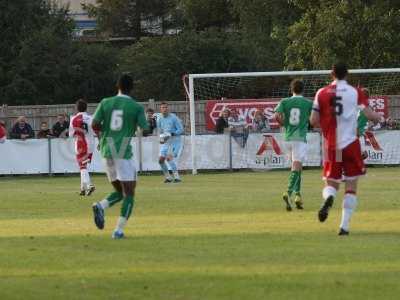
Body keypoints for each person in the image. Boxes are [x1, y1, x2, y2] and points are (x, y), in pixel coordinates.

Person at [310, 62, 383, 235]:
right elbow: (369, 114)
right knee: (351, 185)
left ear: (331, 74)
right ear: (347, 74)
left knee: (332, 182)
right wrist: (378, 117)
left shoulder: (321, 92)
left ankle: (329, 197)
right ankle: (344, 227)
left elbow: (313, 120)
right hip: (351, 143)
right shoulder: (354, 92)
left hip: (332, 144)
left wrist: (327, 126)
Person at [91, 74, 148, 239]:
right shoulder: (136, 107)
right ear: (132, 88)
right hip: (122, 150)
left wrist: (105, 133)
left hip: (106, 149)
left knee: (119, 190)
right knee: (129, 193)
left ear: (117, 86)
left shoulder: (105, 102)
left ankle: (101, 206)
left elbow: (94, 124)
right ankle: (118, 231)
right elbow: (145, 130)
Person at [274, 79, 313, 211]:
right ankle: (288, 192)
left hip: (287, 137)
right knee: (297, 165)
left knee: (297, 168)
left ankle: (298, 196)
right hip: (299, 137)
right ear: (303, 90)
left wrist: (284, 124)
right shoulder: (308, 103)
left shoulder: (284, 101)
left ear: (291, 89)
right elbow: (313, 118)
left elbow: (276, 116)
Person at [69, 99, 96, 196]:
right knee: (84, 166)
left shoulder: (74, 119)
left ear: (76, 108)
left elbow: (71, 134)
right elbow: (95, 131)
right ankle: (83, 189)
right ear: (86, 108)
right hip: (91, 144)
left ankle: (89, 185)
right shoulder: (91, 118)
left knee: (82, 166)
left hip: (81, 144)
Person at [157, 102, 184, 183]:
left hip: (175, 141)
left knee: (169, 158)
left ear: (168, 109)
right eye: (163, 107)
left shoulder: (174, 117)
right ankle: (168, 177)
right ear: (160, 109)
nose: (164, 109)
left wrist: (172, 133)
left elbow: (181, 129)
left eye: (166, 107)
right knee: (161, 160)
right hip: (166, 142)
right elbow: (160, 131)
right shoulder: (159, 118)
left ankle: (177, 177)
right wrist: (161, 139)